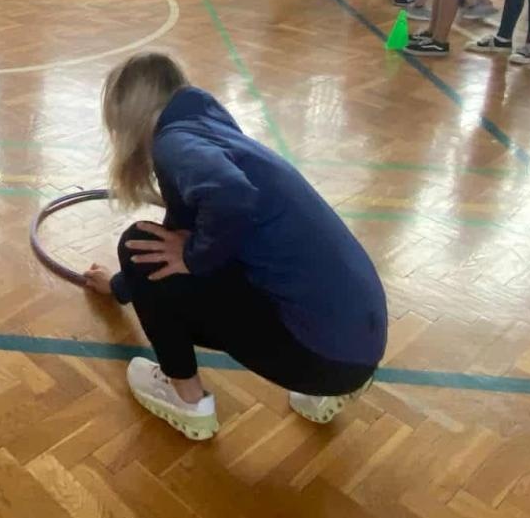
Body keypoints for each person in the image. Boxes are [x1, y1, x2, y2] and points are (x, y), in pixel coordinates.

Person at [81, 53, 385, 439]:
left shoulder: (173, 144)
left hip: (321, 357)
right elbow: (187, 226)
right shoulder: (205, 123)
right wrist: (123, 287)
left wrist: (191, 257)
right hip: (359, 344)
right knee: (170, 251)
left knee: (138, 244)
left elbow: (230, 196)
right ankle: (327, 388)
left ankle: (188, 402)